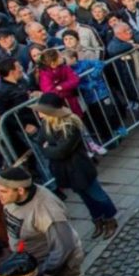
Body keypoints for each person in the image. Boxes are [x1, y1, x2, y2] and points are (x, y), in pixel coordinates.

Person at [0, 166, 123, 276]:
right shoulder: (13, 199)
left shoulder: (46, 210)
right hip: (36, 259)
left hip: (56, 262)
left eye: (2, 191)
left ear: (20, 190)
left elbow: (63, 247)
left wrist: (42, 272)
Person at [30, 93, 119, 240]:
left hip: (79, 168)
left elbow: (61, 151)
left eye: (41, 111)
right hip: (65, 170)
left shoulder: (70, 125)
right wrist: (49, 147)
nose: (39, 115)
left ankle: (110, 218)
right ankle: (97, 219)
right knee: (85, 197)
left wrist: (48, 147)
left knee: (97, 195)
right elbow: (41, 143)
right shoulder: (47, 124)